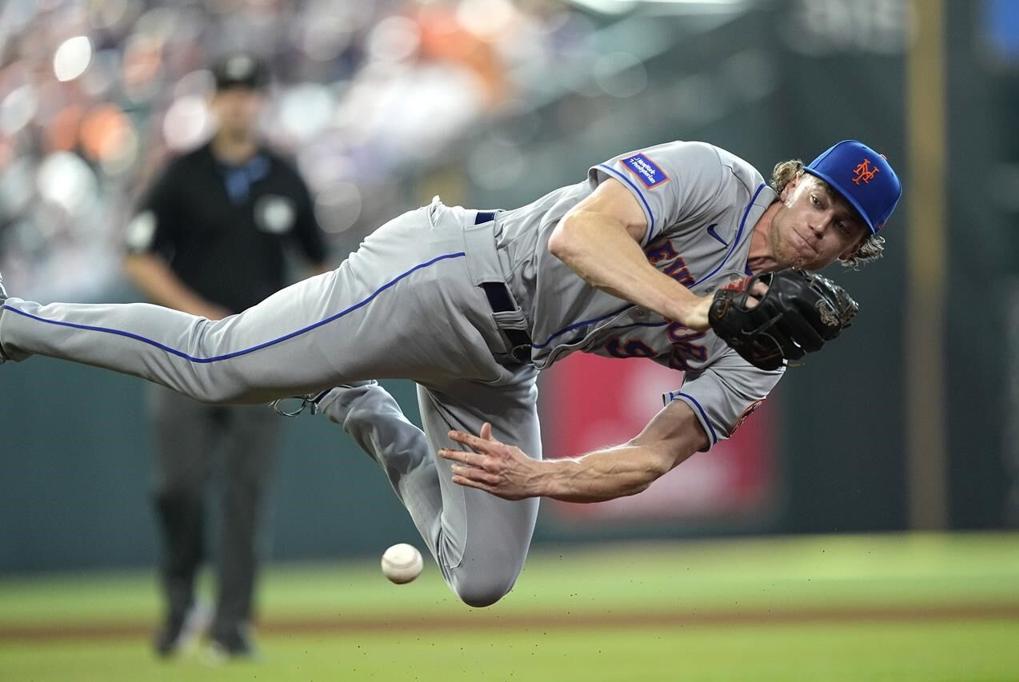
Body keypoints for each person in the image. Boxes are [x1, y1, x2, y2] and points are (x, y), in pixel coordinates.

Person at [0, 138, 900, 608]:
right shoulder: (712, 177)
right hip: (447, 278)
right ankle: (17, 318)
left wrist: (539, 477)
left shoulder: (769, 344)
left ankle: (364, 412)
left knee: (480, 580)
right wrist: (699, 308)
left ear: (857, 252)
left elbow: (655, 455)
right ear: (792, 186)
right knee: (217, 365)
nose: (823, 224)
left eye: (847, 225)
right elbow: (577, 236)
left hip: (504, 368)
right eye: (822, 198)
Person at [121, 53, 330, 657]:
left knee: (246, 493)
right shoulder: (182, 173)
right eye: (229, 92)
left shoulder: (285, 177)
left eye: (249, 91)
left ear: (261, 100)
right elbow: (137, 256)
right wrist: (198, 312)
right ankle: (182, 603)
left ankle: (232, 624)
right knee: (177, 486)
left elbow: (322, 266)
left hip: (261, 358)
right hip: (182, 352)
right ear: (213, 102)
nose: (239, 102)